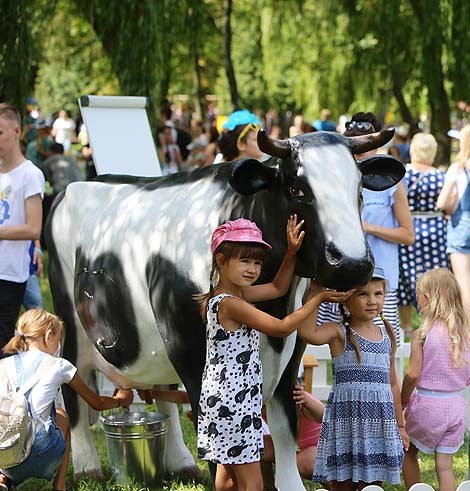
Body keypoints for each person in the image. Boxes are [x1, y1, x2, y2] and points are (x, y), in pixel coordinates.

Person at [196, 216, 349, 491]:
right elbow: (280, 328)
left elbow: (278, 288)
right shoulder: (231, 304)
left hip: (225, 401)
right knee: (253, 484)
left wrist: (290, 253)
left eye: (257, 262)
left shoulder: (232, 296)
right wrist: (316, 299)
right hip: (234, 404)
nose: (253, 269)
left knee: (228, 479)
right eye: (245, 261)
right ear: (220, 259)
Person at [0, 309, 133, 491]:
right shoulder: (60, 365)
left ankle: (2, 479)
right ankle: (60, 486)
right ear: (48, 336)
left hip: (6, 457)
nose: (58, 345)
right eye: (58, 339)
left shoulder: (3, 365)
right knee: (62, 415)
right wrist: (119, 400)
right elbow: (97, 403)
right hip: (41, 457)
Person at [299, 267, 407, 489]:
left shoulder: (387, 334)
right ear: (346, 300)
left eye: (378, 294)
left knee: (372, 486)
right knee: (343, 484)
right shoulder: (339, 333)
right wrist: (317, 292)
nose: (372, 301)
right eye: (363, 294)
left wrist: (401, 426)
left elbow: (393, 384)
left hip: (379, 425)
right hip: (347, 424)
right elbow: (307, 332)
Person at [317, 112, 414, 346]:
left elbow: (408, 235)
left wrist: (369, 228)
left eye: (364, 148)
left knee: (382, 347)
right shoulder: (334, 181)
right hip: (340, 275)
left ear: (376, 149)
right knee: (325, 343)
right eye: (354, 149)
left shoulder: (392, 183)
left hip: (378, 278)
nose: (359, 156)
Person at [401, 268, 470, 491]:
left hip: (427, 406)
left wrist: (402, 400)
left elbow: (412, 373)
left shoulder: (423, 333)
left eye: (418, 296)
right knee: (445, 466)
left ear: (427, 298)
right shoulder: (465, 335)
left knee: (409, 452)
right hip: (456, 407)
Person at [0, 103, 45, 353]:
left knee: (4, 344)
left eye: (0, 133)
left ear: (16, 131)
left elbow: (33, 228)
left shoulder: (30, 174)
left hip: (10, 274)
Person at [398, 132, 448, 335]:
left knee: (405, 276)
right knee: (435, 276)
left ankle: (408, 325)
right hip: (436, 229)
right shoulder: (440, 175)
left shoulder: (403, 173)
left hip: (408, 226)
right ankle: (433, 322)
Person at [437, 125, 470, 321]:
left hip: (462, 226)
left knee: (464, 283)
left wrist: (452, 201)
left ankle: (467, 330)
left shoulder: (457, 169)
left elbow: (441, 202)